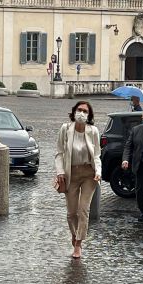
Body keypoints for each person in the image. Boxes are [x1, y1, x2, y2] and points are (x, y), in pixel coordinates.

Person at [55, 100, 101, 259]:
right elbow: (59, 153)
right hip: (71, 174)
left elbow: (96, 155)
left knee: (83, 209)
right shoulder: (65, 129)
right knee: (71, 212)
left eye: (85, 111)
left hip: (89, 173)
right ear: (74, 112)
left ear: (89, 115)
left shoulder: (93, 130)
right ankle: (74, 234)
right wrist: (60, 172)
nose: (82, 113)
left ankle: (78, 244)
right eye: (80, 110)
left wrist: (98, 171)